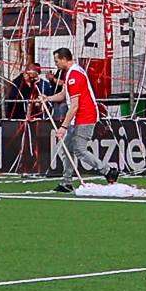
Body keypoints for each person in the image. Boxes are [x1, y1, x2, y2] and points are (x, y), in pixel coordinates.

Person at [49, 46, 103, 188]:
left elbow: (74, 106)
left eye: (57, 61)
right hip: (78, 117)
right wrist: (47, 98)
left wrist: (63, 127)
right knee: (67, 147)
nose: (56, 64)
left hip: (85, 117)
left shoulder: (74, 75)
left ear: (64, 59)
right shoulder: (71, 73)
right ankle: (67, 181)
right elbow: (62, 95)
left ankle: (107, 170)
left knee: (79, 149)